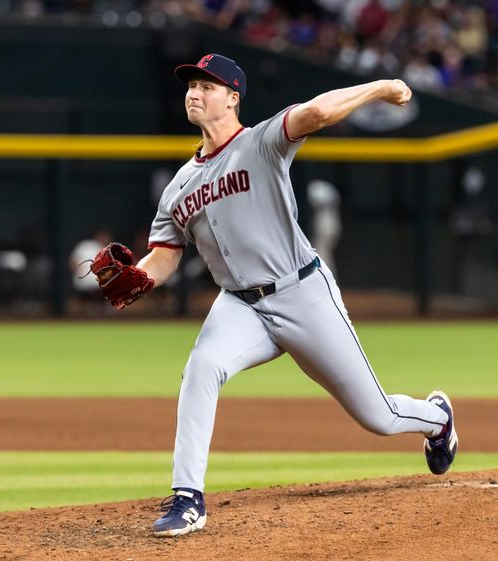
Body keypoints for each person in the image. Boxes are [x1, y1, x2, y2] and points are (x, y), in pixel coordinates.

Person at [131, 54, 458, 537]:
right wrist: (137, 278)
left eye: (207, 85)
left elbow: (318, 113)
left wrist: (383, 86)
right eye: (191, 86)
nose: (194, 93)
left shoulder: (261, 142)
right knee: (201, 367)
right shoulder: (179, 186)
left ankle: (437, 419)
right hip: (240, 304)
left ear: (233, 97)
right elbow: (163, 257)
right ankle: (187, 497)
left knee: (378, 416)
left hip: (301, 292)